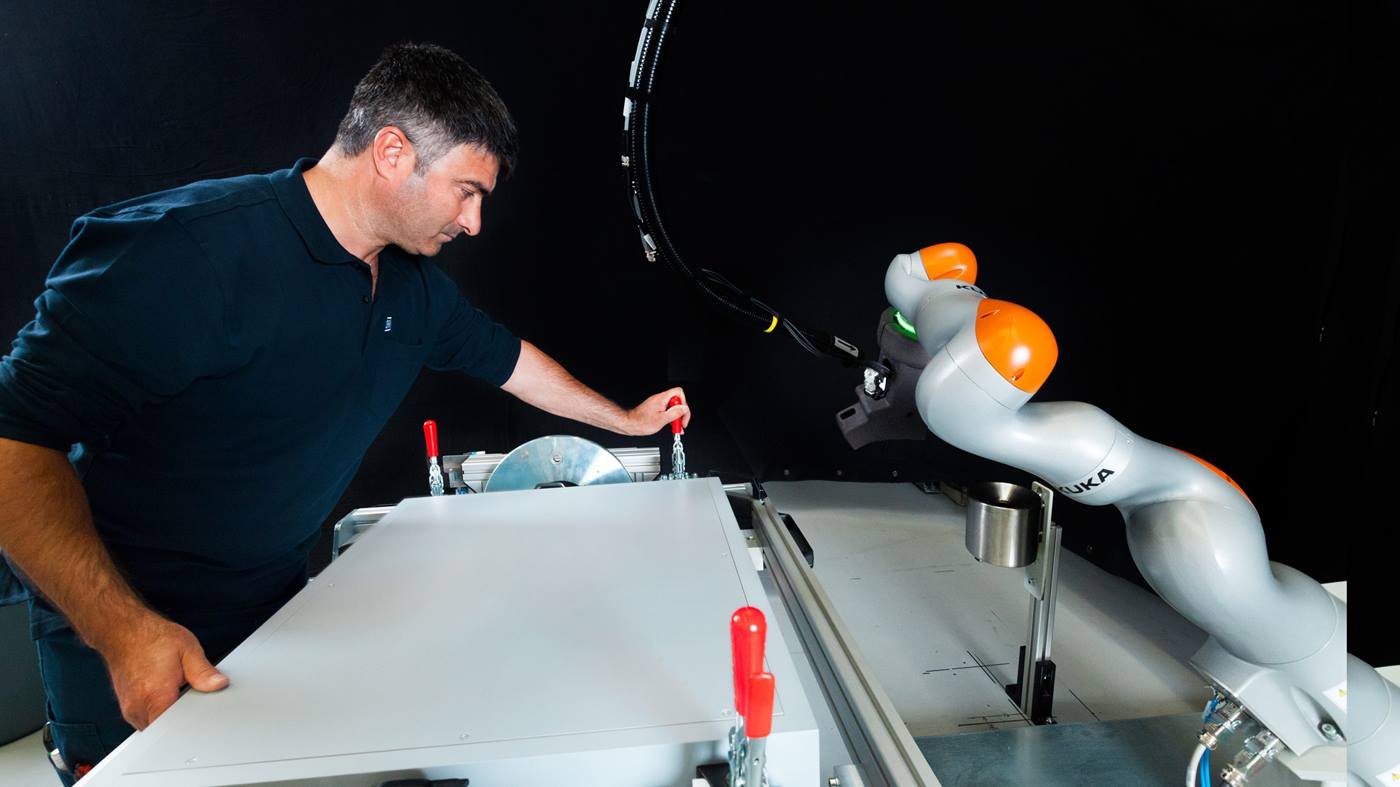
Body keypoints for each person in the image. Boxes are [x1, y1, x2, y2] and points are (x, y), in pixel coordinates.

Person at [0, 42, 689, 783]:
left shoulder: (413, 289)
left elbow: (512, 362)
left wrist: (622, 420)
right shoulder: (187, 251)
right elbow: (13, 442)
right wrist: (124, 634)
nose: (474, 222)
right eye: (466, 191)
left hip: (278, 625)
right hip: (131, 639)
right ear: (392, 153)